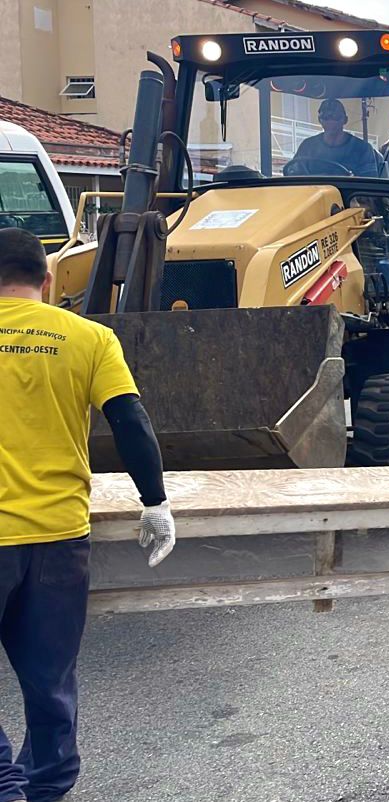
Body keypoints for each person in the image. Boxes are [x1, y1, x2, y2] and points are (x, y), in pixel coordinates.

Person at [0, 228, 175, 802]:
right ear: (48, 282)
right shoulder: (90, 338)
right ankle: (45, 785)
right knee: (50, 678)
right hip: (59, 537)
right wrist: (155, 503)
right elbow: (130, 422)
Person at [291, 98, 382, 178]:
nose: (331, 121)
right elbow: (293, 175)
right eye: (326, 117)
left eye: (336, 117)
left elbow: (367, 187)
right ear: (320, 120)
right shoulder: (307, 146)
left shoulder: (362, 149)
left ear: (345, 120)